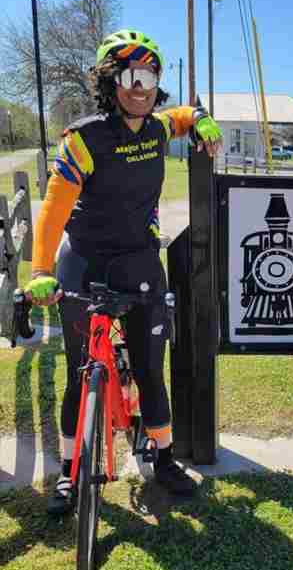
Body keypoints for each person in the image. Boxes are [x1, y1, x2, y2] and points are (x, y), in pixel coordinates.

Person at [24, 29, 223, 515]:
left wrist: (200, 118)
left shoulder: (157, 127)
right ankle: (70, 473)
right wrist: (41, 270)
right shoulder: (84, 138)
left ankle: (164, 457)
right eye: (131, 76)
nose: (142, 86)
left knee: (151, 370)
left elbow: (180, 117)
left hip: (139, 261)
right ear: (111, 81)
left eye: (150, 75)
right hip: (84, 263)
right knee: (78, 374)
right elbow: (52, 212)